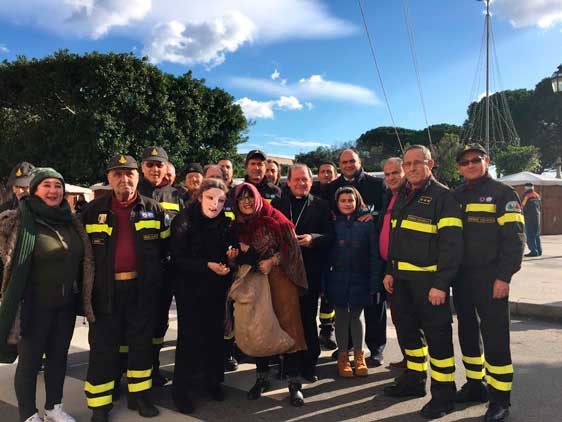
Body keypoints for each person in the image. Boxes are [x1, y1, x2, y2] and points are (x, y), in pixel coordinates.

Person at [0, 168, 94, 422]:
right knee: (29, 363)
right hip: (32, 305)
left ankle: (54, 408)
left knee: (58, 359)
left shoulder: (71, 220)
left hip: (64, 305)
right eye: (47, 186)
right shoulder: (16, 220)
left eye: (57, 186)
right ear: (34, 190)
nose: (53, 191)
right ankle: (29, 414)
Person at [81, 155, 167, 422]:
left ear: (137, 177)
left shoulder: (154, 209)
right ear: (109, 179)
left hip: (141, 290)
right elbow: (82, 256)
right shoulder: (92, 211)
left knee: (140, 344)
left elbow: (165, 251)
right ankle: (99, 405)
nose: (124, 179)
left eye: (129, 174)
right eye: (117, 174)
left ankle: (139, 396)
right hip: (105, 291)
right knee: (103, 347)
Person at [382, 145, 463, 419]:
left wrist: (441, 284)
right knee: (407, 334)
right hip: (402, 281)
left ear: (431, 164)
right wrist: (391, 270)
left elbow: (452, 247)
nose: (412, 168)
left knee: (438, 340)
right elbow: (397, 237)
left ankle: (444, 395)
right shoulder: (403, 195)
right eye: (408, 164)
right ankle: (414, 380)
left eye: (418, 162)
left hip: (429, 283)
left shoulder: (444, 197)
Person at [453, 144, 525, 422]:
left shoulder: (503, 193)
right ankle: (475, 384)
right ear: (459, 167)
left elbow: (515, 239)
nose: (470, 165)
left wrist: (504, 277)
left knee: (495, 338)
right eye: (464, 162)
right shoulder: (455, 195)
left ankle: (500, 399)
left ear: (487, 161)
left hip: (491, 278)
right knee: (467, 333)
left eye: (475, 160)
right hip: (461, 279)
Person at [231, 182, 308, 406]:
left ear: (257, 198)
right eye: (241, 198)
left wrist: (273, 260)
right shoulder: (236, 225)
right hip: (253, 281)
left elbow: (293, 249)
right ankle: (261, 378)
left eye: (249, 197)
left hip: (281, 280)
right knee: (259, 327)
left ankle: (295, 385)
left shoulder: (277, 219)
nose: (246, 202)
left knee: (289, 329)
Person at [171, 178, 235, 414]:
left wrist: (231, 259)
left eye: (220, 200)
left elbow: (230, 252)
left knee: (214, 337)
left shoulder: (225, 223)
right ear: (199, 197)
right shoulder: (184, 220)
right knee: (189, 340)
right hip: (189, 289)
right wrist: (207, 265)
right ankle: (181, 392)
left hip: (216, 289)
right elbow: (177, 258)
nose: (215, 204)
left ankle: (212, 383)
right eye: (210, 198)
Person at [272, 164, 334, 382]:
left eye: (304, 180)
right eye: (296, 180)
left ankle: (310, 364)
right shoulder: (278, 204)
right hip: (284, 273)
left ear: (311, 181)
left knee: (308, 319)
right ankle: (288, 363)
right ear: (288, 182)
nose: (300, 183)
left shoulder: (322, 205)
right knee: (286, 320)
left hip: (310, 272)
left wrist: (312, 239)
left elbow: (330, 235)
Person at [326, 149, 386, 367]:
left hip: (369, 254)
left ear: (360, 162)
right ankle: (347, 348)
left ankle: (376, 349)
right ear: (339, 165)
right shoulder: (332, 188)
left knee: (373, 309)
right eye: (344, 162)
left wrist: (375, 215)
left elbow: (388, 210)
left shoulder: (376, 185)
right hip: (344, 262)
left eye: (352, 161)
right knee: (344, 311)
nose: (349, 164)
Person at [137, 146, 183, 386]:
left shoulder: (176, 196)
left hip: (166, 272)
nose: (155, 169)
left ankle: (153, 369)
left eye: (159, 164)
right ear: (142, 167)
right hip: (138, 272)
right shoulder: (132, 192)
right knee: (136, 323)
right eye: (150, 164)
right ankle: (130, 370)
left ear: (166, 168)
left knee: (159, 323)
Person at [379, 157, 407, 370]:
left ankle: (415, 366)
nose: (391, 178)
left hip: (406, 270)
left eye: (395, 172)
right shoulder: (389, 196)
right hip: (391, 268)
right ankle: (410, 359)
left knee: (410, 320)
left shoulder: (410, 196)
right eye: (387, 174)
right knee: (399, 318)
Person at [309, 160, 338, 349]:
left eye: (329, 171)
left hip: (334, 250)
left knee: (329, 297)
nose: (326, 174)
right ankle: (310, 334)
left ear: (335, 175)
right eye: (322, 171)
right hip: (313, 250)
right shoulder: (311, 194)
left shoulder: (340, 192)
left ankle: (327, 331)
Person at [521, 182, 542, 257]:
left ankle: (533, 251)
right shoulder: (537, 195)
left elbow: (522, 207)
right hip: (537, 216)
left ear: (526, 188)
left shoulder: (526, 196)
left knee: (530, 234)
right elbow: (540, 206)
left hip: (529, 217)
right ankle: (539, 250)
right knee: (536, 234)